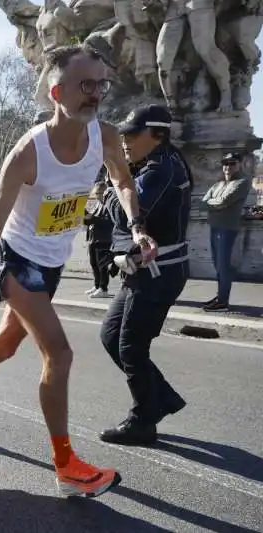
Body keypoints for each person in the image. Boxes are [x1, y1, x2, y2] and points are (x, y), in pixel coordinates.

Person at [0, 44, 158, 498]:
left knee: (2, 348)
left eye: (100, 84)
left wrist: (136, 227)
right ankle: (66, 466)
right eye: (84, 85)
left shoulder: (106, 136)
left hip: (51, 266)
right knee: (60, 353)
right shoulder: (27, 154)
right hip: (18, 264)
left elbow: (123, 182)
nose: (95, 94)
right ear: (57, 92)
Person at [97, 104, 191, 446]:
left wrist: (110, 190)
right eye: (123, 133)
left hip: (159, 272)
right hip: (145, 270)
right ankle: (160, 399)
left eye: (133, 134)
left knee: (131, 347)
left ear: (158, 135)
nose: (125, 140)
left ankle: (143, 420)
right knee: (111, 337)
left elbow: (124, 217)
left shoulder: (159, 171)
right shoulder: (152, 165)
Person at [201, 152, 253, 312]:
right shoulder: (218, 184)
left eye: (232, 163)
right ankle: (220, 296)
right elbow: (203, 203)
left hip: (227, 228)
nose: (228, 166)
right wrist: (216, 204)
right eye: (225, 163)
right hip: (215, 226)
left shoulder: (243, 182)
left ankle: (223, 301)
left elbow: (225, 201)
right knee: (217, 264)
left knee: (224, 265)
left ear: (239, 164)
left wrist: (214, 204)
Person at [84, 177, 114, 298]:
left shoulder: (109, 204)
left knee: (102, 265)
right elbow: (92, 217)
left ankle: (103, 288)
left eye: (98, 193)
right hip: (94, 238)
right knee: (94, 263)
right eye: (95, 193)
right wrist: (84, 214)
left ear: (104, 192)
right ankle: (96, 285)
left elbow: (108, 221)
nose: (96, 196)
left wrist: (92, 219)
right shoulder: (98, 204)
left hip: (104, 238)